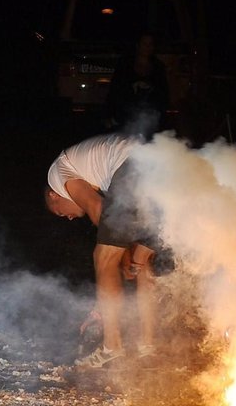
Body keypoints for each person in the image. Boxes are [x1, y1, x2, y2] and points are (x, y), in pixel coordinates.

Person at [44, 132, 158, 368]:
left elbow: (97, 208)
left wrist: (121, 258)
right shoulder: (89, 173)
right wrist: (128, 258)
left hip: (133, 167)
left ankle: (112, 347)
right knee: (142, 263)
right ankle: (148, 345)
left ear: (54, 196)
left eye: (59, 212)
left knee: (103, 257)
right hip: (163, 163)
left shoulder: (56, 176)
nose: (67, 217)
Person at [105, 32, 169, 139]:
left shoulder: (158, 67)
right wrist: (110, 115)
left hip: (150, 117)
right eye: (145, 44)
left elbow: (163, 93)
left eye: (150, 44)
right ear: (138, 45)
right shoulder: (125, 65)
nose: (148, 47)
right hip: (125, 116)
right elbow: (115, 90)